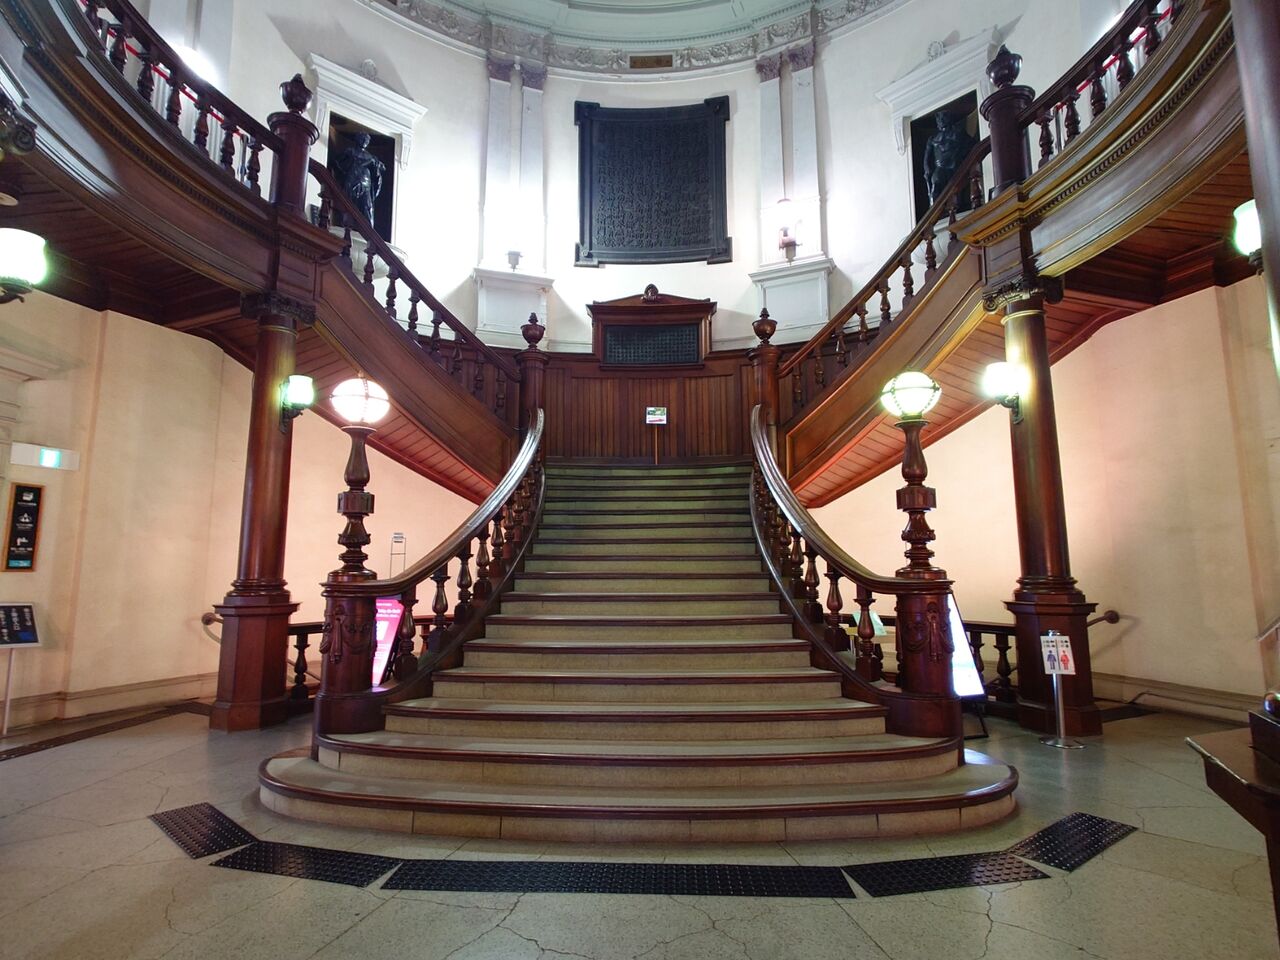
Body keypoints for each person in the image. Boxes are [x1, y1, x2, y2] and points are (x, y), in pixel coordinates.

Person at [921, 111, 977, 208]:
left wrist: (957, 157)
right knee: (936, 185)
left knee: (956, 189)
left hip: (955, 167)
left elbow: (971, 144)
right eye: (939, 119)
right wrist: (927, 169)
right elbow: (927, 157)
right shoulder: (933, 139)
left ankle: (957, 207)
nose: (941, 120)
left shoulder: (958, 133)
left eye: (943, 118)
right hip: (940, 169)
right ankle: (935, 209)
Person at [334, 132, 385, 226]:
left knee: (367, 207)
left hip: (366, 184)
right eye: (363, 138)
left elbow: (382, 168)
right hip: (352, 180)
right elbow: (336, 161)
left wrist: (376, 164)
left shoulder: (371, 157)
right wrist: (343, 172)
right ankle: (345, 225)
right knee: (348, 204)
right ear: (357, 139)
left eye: (367, 139)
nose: (365, 140)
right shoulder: (351, 151)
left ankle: (368, 229)